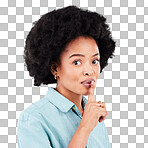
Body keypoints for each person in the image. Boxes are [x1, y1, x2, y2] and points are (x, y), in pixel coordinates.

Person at [17, 5, 116, 148]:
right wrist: (84, 128)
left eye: (94, 61)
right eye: (77, 62)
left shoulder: (94, 114)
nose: (89, 71)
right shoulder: (34, 119)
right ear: (54, 68)